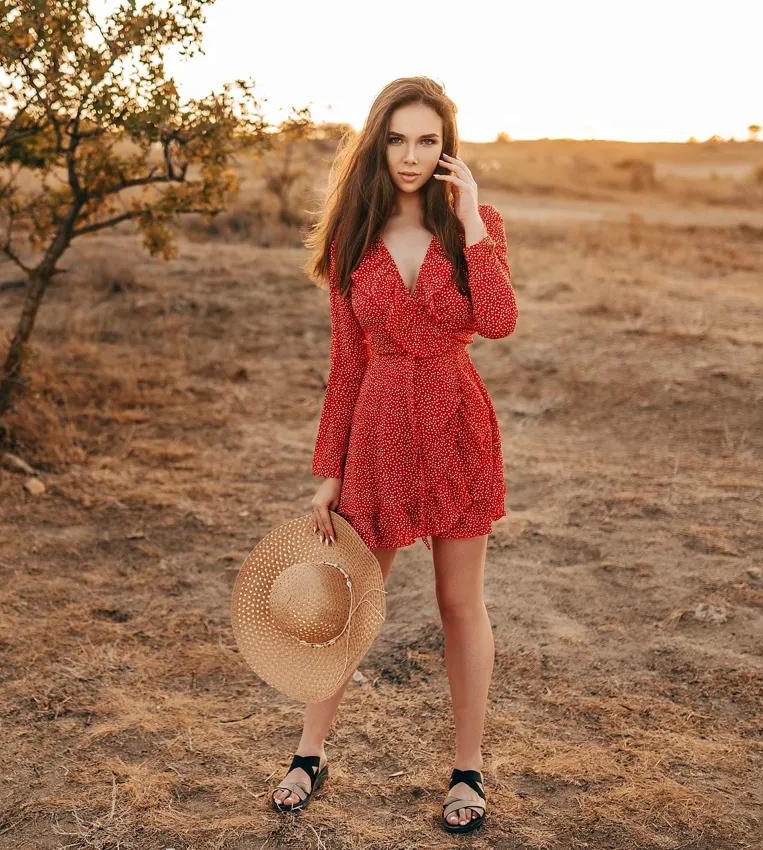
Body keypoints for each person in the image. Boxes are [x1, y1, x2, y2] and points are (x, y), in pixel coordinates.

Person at [269, 77, 517, 834]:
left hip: (457, 426)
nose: (412, 155)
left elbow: (500, 322)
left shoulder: (473, 226)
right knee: (351, 603)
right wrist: (329, 469)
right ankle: (308, 754)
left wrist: (472, 219)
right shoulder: (353, 237)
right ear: (379, 142)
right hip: (376, 431)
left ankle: (468, 769)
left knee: (458, 603)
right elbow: (346, 364)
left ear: (448, 148)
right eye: (399, 138)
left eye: (428, 141)